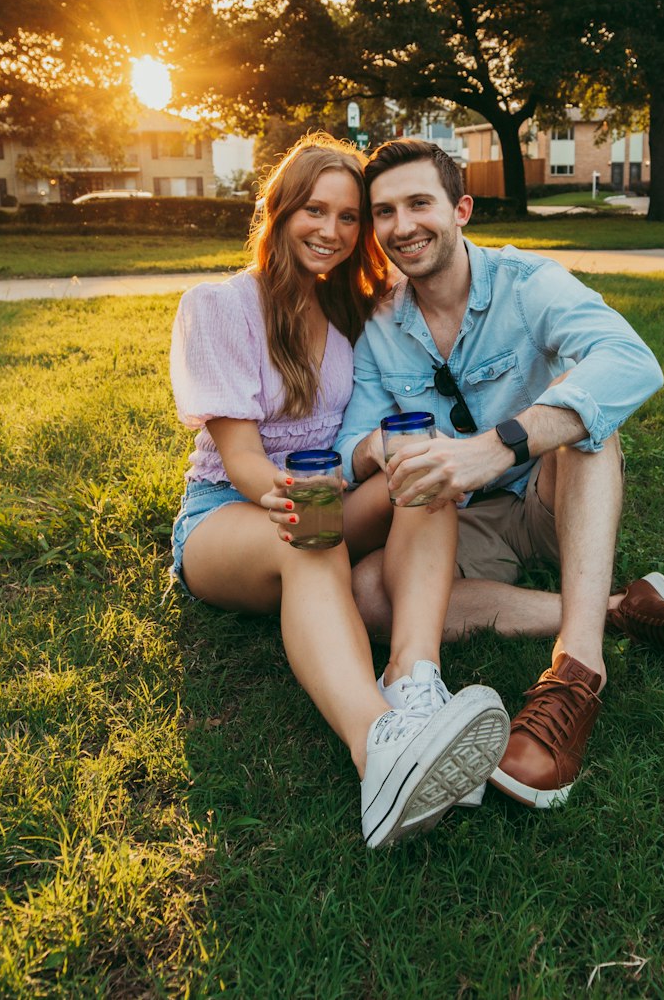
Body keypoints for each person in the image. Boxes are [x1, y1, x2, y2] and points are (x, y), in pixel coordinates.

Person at [330, 139, 664, 810]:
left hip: (553, 501)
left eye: (419, 203)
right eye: (383, 212)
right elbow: (344, 452)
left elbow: (632, 362)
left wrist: (502, 444)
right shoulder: (380, 325)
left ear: (462, 210)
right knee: (368, 595)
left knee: (586, 416)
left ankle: (576, 673)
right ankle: (627, 610)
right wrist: (379, 447)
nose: (402, 227)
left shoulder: (528, 282)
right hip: (467, 520)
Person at [168, 134, 510, 848]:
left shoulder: (360, 310)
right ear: (280, 210)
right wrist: (302, 497)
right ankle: (379, 750)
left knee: (424, 475)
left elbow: (458, 299)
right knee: (311, 531)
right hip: (229, 518)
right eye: (314, 211)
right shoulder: (220, 306)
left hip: (329, 496)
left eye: (349, 217)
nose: (331, 230)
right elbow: (242, 461)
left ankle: (414, 685)